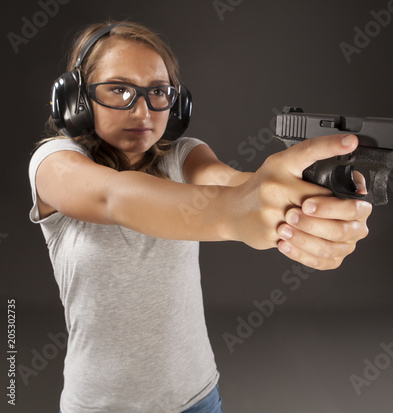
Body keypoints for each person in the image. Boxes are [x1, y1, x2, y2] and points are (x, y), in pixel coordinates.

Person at [28, 20, 371, 413]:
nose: (142, 109)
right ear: (77, 100)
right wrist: (238, 213)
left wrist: (309, 201)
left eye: (157, 91)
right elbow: (113, 196)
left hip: (197, 398)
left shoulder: (183, 154)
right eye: (119, 89)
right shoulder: (53, 163)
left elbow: (230, 183)